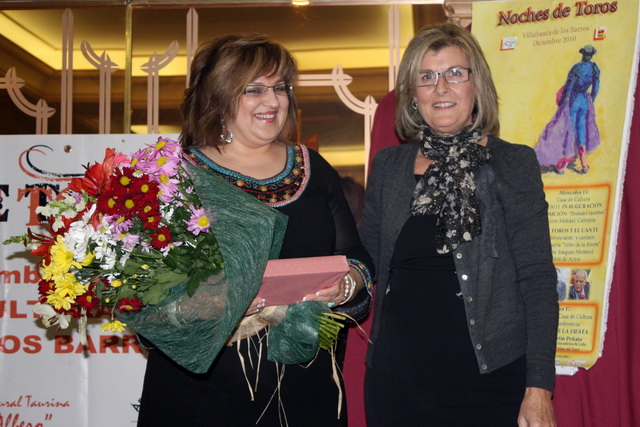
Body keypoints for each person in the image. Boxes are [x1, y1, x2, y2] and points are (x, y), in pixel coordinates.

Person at [136, 34, 374, 426]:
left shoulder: (313, 168)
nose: (274, 100)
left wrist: (346, 284)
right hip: (201, 392)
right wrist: (217, 303)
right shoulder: (175, 177)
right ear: (219, 96)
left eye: (280, 88)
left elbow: (357, 257)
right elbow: (147, 294)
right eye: (255, 89)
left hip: (303, 383)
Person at [359, 23, 559, 426]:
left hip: (489, 380)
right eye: (427, 77)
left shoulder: (512, 163)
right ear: (413, 96)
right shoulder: (388, 166)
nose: (442, 88)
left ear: (475, 85)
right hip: (398, 383)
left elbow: (537, 279)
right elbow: (366, 262)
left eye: (455, 73)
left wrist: (539, 388)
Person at [534, 45, 601, 175]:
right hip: (584, 101)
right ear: (591, 55)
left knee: (568, 130)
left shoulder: (577, 68)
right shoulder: (594, 68)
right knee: (581, 129)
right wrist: (590, 99)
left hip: (573, 99)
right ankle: (584, 164)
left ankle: (562, 166)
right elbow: (596, 87)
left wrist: (563, 101)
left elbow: (569, 86)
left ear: (583, 54)